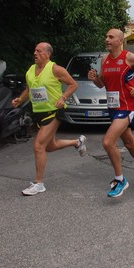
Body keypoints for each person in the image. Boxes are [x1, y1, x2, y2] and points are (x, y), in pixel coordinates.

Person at [12, 42, 87, 196]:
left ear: (47, 54)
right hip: (38, 113)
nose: (35, 54)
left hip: (54, 112)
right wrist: (19, 100)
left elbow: (73, 84)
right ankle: (77, 142)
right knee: (49, 146)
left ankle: (39, 183)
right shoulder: (31, 70)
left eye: (39, 51)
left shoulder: (56, 69)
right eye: (34, 51)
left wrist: (63, 97)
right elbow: (29, 88)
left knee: (38, 145)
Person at [88, 28, 134, 198]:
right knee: (130, 144)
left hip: (127, 106)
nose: (107, 39)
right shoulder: (104, 59)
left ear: (120, 41)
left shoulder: (129, 57)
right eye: (106, 36)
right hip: (113, 107)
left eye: (111, 37)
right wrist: (94, 78)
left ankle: (119, 179)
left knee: (108, 142)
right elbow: (101, 84)